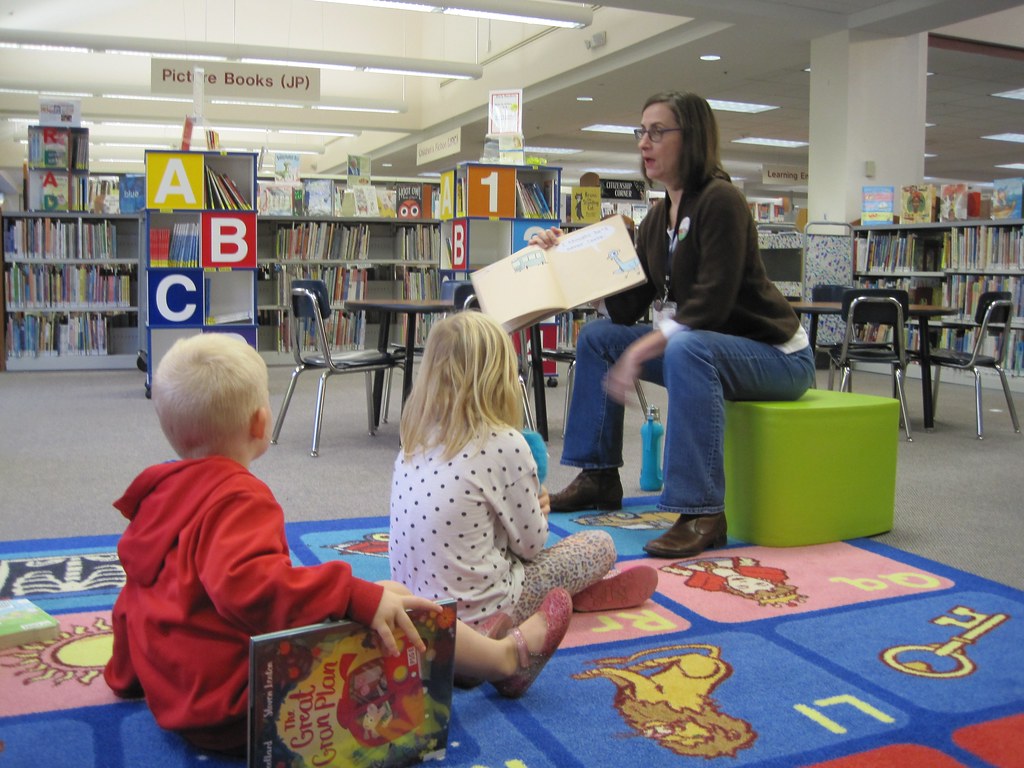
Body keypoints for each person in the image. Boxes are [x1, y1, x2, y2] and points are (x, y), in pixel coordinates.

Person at [103, 333, 572, 756]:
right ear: (260, 421)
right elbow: (250, 588)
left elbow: (134, 602)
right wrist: (351, 597)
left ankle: (462, 649)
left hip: (183, 698)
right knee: (393, 607)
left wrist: (125, 675)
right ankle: (504, 659)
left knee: (383, 590)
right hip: (247, 704)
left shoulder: (157, 497)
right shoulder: (238, 498)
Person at [531, 91, 815, 559]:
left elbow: (711, 308)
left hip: (774, 356)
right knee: (600, 338)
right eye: (641, 132)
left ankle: (702, 512)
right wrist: (571, 259)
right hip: (707, 350)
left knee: (687, 347)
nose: (645, 142)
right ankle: (599, 477)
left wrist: (642, 352)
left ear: (693, 138)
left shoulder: (722, 202)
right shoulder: (658, 217)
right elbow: (626, 310)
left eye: (658, 132)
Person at [389, 311, 658, 629]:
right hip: (483, 616)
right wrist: (540, 508)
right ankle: (569, 598)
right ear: (500, 376)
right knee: (600, 544)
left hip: (419, 613)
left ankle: (575, 597)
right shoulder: (503, 443)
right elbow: (532, 545)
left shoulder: (414, 442)